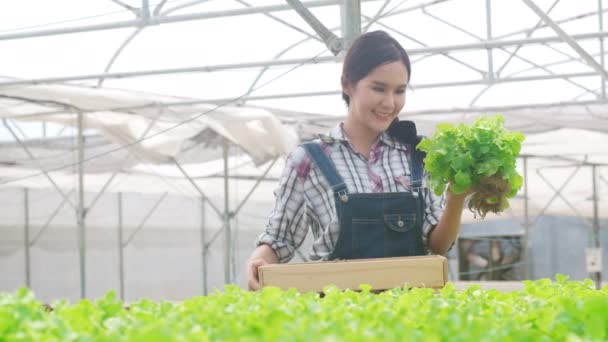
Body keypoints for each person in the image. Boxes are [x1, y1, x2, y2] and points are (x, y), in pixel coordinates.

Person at [247, 30, 470, 291]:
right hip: (338, 315)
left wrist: (456, 198)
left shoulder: (418, 155)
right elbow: (280, 239)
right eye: (378, 88)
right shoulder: (309, 161)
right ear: (347, 84)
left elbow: (437, 245)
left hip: (414, 315)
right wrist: (258, 259)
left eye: (399, 91)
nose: (389, 102)